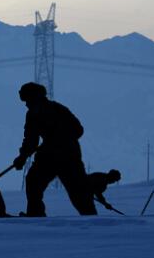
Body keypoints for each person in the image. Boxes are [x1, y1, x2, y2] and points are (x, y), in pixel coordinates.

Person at [11, 82, 95, 217]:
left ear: (35, 98)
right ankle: (35, 214)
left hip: (68, 158)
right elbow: (31, 140)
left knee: (78, 192)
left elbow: (78, 130)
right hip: (49, 158)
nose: (26, 104)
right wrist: (22, 157)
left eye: (28, 100)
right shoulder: (32, 114)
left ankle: (92, 219)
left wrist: (58, 140)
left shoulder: (58, 110)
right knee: (33, 181)